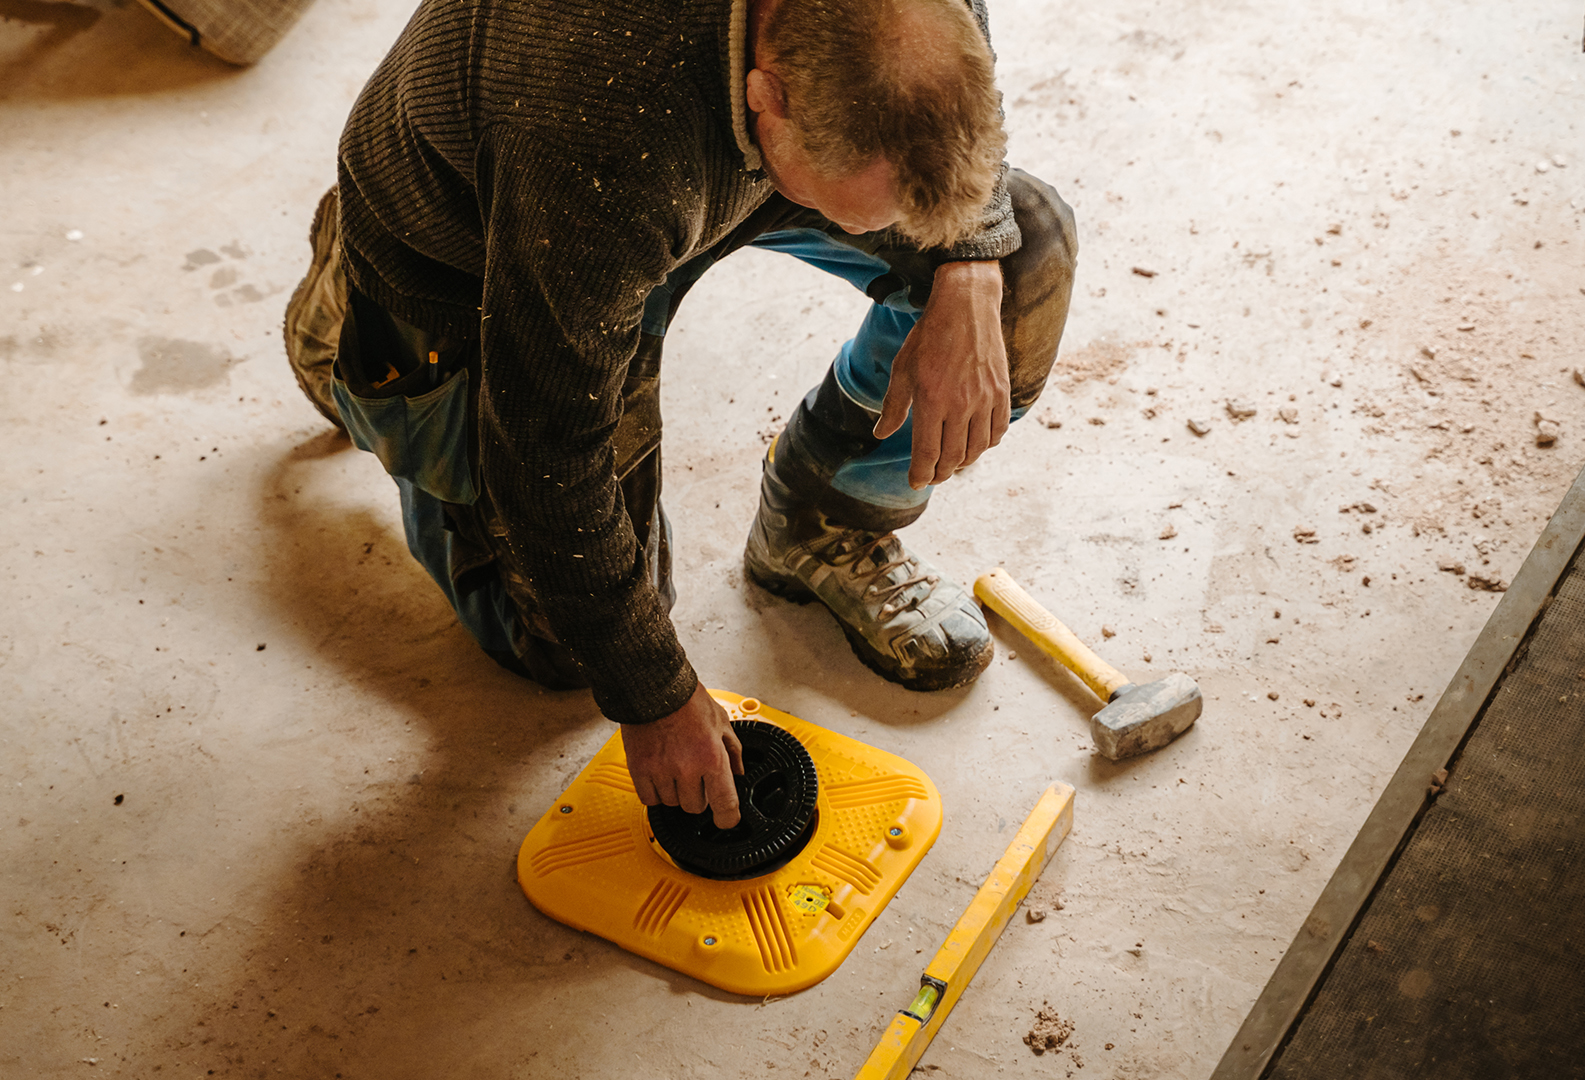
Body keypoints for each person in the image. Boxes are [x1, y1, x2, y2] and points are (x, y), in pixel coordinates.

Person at [284, 0, 1075, 830]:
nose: (880, 237)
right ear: (770, 97)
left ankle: (817, 519)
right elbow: (545, 452)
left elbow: (953, 50)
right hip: (487, 241)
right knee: (565, 643)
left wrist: (972, 261)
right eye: (862, 215)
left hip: (674, 177)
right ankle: (349, 326)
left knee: (1025, 253)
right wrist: (656, 700)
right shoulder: (592, 112)